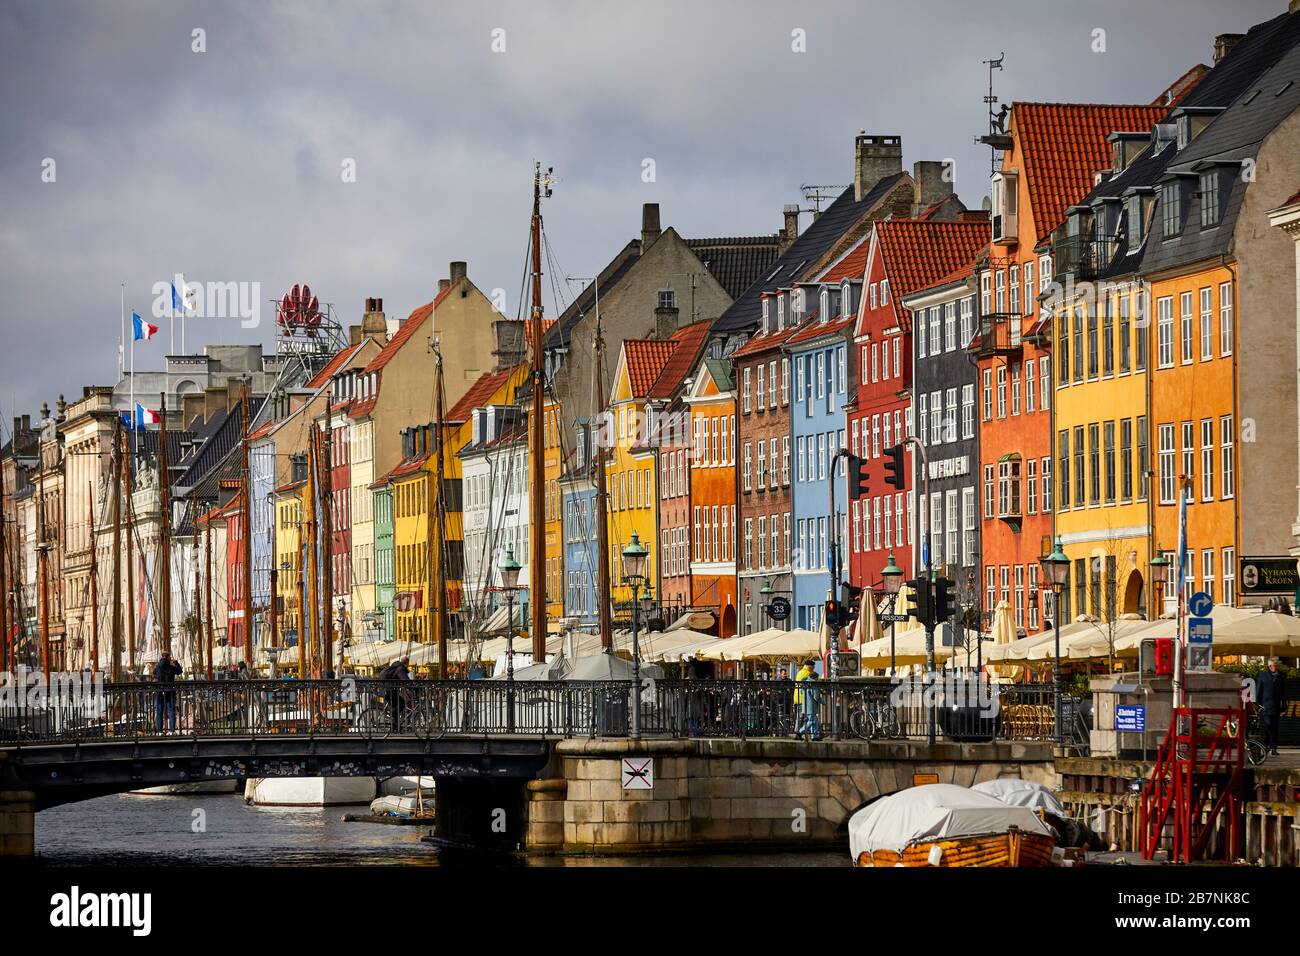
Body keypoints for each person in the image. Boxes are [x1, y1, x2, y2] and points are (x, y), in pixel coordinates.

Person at [1256, 657, 1287, 756]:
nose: (1276, 667)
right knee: (1267, 727)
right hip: (1265, 707)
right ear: (1269, 666)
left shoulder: (1281, 676)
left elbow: (1283, 692)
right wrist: (1259, 705)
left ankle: (1274, 748)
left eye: (1277, 665)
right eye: (1275, 665)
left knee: (1275, 728)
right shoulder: (1263, 676)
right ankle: (1266, 747)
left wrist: (1284, 704)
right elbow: (1258, 692)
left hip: (1276, 706)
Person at [153, 652, 183, 733]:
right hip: (170, 692)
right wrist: (176, 663)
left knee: (159, 712)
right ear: (168, 657)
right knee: (171, 711)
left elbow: (154, 672)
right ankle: (172, 731)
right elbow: (180, 671)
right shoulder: (171, 667)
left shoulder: (158, 667)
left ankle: (159, 731)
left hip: (160, 692)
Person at [794, 658, 821, 741]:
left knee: (807, 718)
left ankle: (814, 735)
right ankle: (798, 733)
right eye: (813, 667)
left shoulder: (800, 672)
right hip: (805, 700)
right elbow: (812, 691)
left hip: (799, 697)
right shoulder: (808, 674)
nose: (814, 668)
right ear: (810, 666)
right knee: (804, 718)